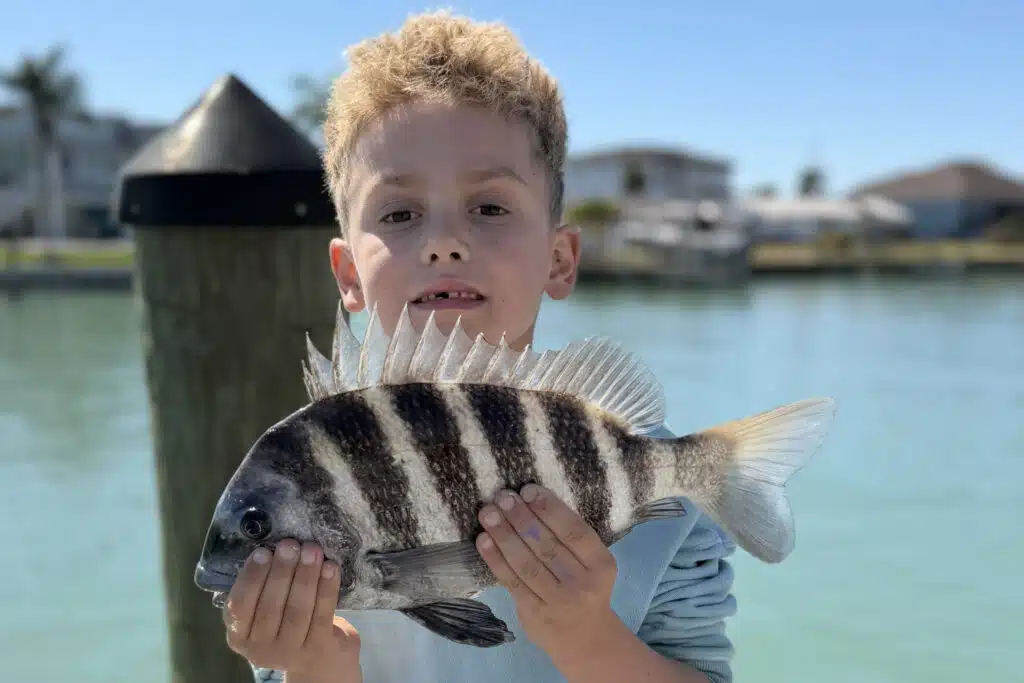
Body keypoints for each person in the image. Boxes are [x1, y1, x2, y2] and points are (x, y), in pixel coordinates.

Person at [219, 11, 737, 683]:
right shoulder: (300, 483)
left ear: (559, 259)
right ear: (348, 275)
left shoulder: (661, 493)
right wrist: (315, 664)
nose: (444, 241)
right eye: (399, 213)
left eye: (489, 207)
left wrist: (588, 640)